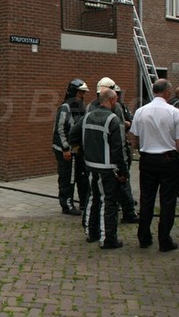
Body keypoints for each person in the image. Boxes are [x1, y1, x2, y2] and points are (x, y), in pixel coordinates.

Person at [130, 79, 179, 252]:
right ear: (167, 92)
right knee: (167, 201)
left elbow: (134, 138)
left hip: (147, 159)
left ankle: (144, 237)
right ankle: (164, 240)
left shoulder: (140, 112)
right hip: (168, 160)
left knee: (146, 199)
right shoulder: (174, 113)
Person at [70, 88, 128, 249]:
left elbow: (73, 136)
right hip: (107, 168)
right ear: (112, 100)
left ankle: (90, 232)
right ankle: (108, 238)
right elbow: (118, 149)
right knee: (108, 202)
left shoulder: (87, 116)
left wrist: (84, 152)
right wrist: (123, 172)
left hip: (90, 165)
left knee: (93, 197)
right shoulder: (113, 120)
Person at [87, 78, 139, 223]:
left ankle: (94, 222)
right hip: (112, 157)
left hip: (95, 158)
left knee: (96, 192)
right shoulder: (115, 107)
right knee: (122, 183)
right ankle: (128, 213)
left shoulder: (91, 106)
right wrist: (123, 161)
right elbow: (120, 135)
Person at [52, 78, 89, 215]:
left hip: (77, 149)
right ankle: (67, 205)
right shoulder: (65, 107)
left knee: (82, 177)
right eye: (80, 92)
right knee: (67, 177)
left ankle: (84, 203)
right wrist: (65, 149)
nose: (82, 95)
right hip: (65, 150)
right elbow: (60, 129)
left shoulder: (80, 106)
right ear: (74, 92)